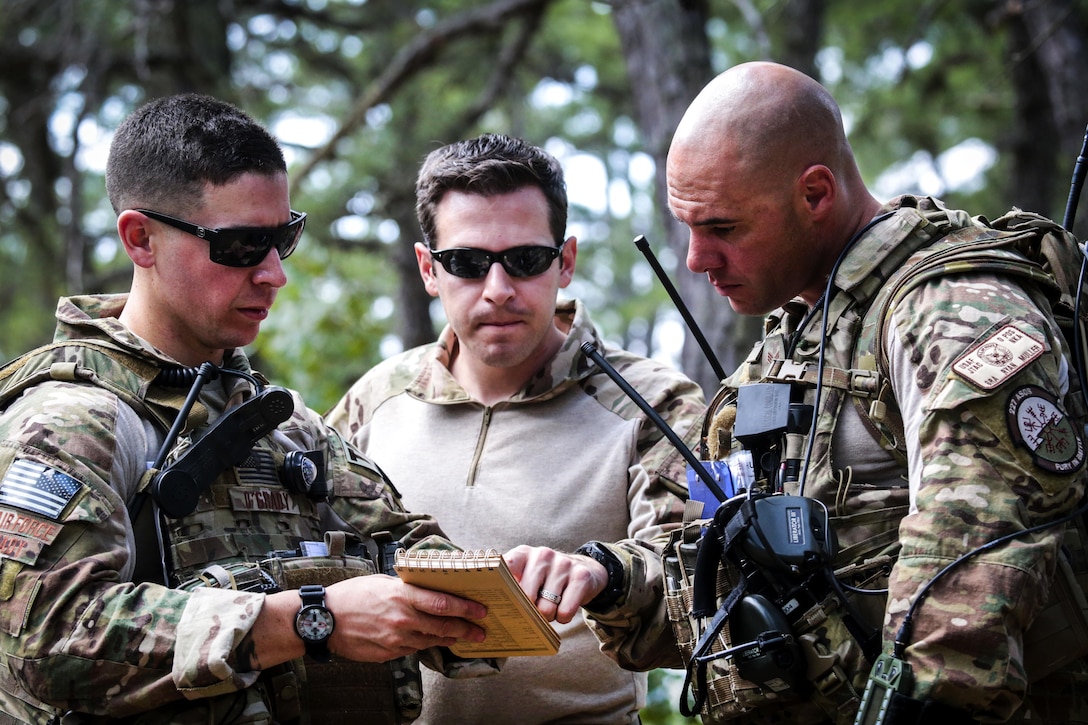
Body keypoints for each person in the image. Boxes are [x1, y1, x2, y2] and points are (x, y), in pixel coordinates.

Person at [578, 61, 1088, 724]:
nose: (697, 260)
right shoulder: (796, 337)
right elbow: (737, 567)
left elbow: (973, 554)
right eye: (687, 227)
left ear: (815, 194)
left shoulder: (950, 311)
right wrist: (612, 580)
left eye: (723, 228)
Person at [0, 93, 491, 725]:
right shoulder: (71, 421)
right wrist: (313, 621)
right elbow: (43, 641)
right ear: (140, 238)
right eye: (239, 246)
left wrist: (509, 589)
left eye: (282, 238)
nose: (273, 274)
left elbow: (402, 544)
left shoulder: (280, 424)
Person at [325, 133, 706, 724]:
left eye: (525, 261)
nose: (498, 290)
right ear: (429, 269)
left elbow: (694, 586)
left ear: (567, 261)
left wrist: (602, 571)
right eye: (468, 264)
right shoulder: (374, 401)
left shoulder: (652, 403)